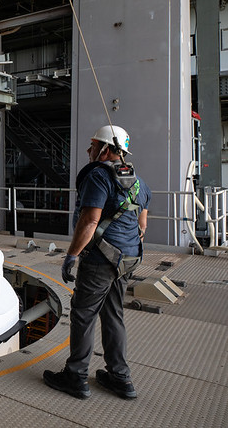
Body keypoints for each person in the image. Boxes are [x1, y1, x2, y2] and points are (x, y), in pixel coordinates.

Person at [44, 125, 150, 400]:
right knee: (114, 314)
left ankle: (76, 376)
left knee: (83, 314)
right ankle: (120, 378)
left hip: (102, 259)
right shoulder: (139, 182)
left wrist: (72, 255)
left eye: (93, 145)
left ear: (105, 149)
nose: (89, 150)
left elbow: (90, 220)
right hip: (128, 258)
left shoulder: (99, 177)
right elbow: (142, 226)